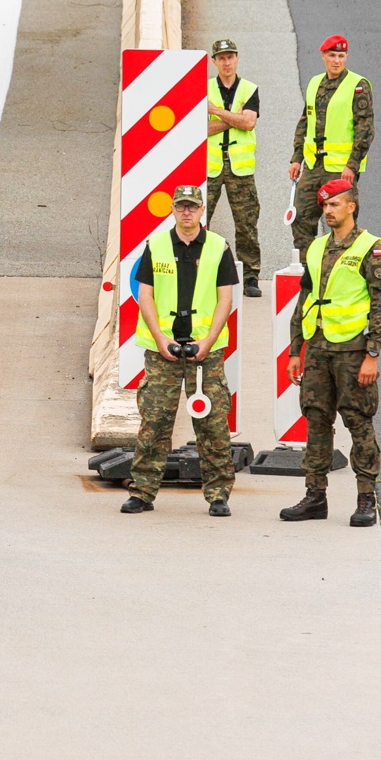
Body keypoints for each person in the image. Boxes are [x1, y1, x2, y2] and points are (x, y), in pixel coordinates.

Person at [119, 185, 238, 517]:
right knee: (154, 422)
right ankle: (142, 492)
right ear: (173, 209)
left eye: (192, 207)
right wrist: (159, 339)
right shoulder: (156, 246)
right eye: (181, 207)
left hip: (206, 351)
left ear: (202, 211)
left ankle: (218, 494)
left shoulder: (217, 247)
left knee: (213, 424)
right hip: (163, 352)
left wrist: (208, 342)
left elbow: (225, 299)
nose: (187, 212)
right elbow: (145, 295)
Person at [281, 178, 381, 527]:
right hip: (317, 348)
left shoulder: (372, 249)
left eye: (334, 205)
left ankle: (365, 499)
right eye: (325, 206)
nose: (327, 211)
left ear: (351, 207)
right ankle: (315, 496)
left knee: (358, 421)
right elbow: (304, 300)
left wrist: (372, 354)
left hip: (352, 352)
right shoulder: (316, 248)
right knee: (316, 420)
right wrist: (295, 349)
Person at [288, 35, 372, 255]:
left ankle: (340, 266)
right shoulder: (315, 83)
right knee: (301, 216)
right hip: (313, 165)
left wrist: (352, 166)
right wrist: (297, 158)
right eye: (332, 55)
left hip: (340, 170)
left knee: (341, 221)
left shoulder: (358, 85)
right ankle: (309, 268)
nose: (337, 60)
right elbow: (305, 121)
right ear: (323, 56)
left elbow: (365, 129)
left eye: (341, 56)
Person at [204, 37, 262, 298]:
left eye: (230, 57)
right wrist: (234, 119)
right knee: (199, 219)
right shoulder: (203, 89)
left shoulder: (249, 89)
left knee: (246, 223)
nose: (226, 62)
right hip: (211, 166)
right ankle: (197, 270)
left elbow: (249, 124)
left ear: (237, 58)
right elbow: (201, 128)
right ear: (214, 62)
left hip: (240, 168)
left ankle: (250, 275)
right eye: (221, 58)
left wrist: (217, 111)